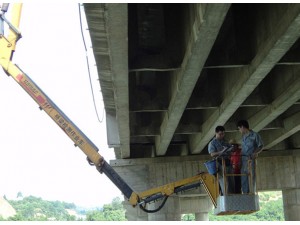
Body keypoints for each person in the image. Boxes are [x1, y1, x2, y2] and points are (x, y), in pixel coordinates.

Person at [237, 120, 263, 194]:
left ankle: (251, 194)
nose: (239, 130)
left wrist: (255, 153)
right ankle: (245, 195)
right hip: (243, 160)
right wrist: (239, 160)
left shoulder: (255, 135)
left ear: (242, 127)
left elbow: (261, 146)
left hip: (251, 160)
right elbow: (243, 149)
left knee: (251, 178)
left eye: (239, 128)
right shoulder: (243, 137)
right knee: (244, 179)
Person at [208, 126, 233, 195]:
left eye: (223, 134)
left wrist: (230, 150)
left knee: (231, 181)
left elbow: (230, 150)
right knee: (225, 182)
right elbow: (212, 154)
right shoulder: (212, 143)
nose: (222, 135)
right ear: (216, 133)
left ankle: (232, 195)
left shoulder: (225, 142)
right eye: (220, 134)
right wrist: (221, 152)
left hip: (228, 163)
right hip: (219, 164)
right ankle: (226, 196)